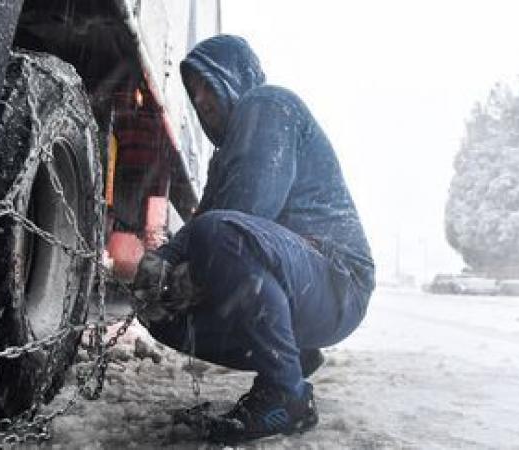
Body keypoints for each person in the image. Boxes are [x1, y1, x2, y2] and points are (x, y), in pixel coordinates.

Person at [132, 34, 375, 444]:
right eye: (193, 91)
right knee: (164, 314)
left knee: (218, 235)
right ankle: (290, 359)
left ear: (236, 75)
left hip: (337, 280)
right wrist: (165, 265)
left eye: (209, 83)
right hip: (300, 284)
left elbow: (244, 211)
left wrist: (183, 259)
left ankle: (286, 395)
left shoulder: (268, 104)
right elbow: (204, 226)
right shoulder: (223, 156)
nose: (201, 98)